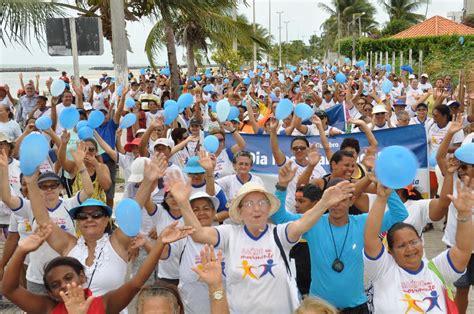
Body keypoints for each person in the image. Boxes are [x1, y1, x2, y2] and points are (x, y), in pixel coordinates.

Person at [167, 165, 357, 313]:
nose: (256, 208)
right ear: (240, 211)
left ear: (269, 209)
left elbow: (303, 224)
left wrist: (324, 203)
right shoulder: (229, 234)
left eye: (261, 202)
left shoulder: (279, 234)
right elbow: (199, 234)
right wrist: (183, 203)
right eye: (249, 203)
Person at [272, 163, 408, 311]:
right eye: (333, 200)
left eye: (342, 200)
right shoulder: (312, 222)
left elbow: (400, 214)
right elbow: (279, 218)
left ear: (351, 200)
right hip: (319, 308)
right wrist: (282, 187)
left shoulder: (364, 223)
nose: (336, 205)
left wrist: (386, 188)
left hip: (355, 307)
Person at [2, 221, 193, 314]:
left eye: (69, 278)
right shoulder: (47, 307)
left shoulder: (103, 304)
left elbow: (136, 283)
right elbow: (8, 289)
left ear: (82, 277)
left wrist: (160, 243)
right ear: (51, 293)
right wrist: (21, 251)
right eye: (55, 284)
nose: (64, 286)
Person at [363, 178, 473, 313]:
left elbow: (463, 249)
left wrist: (465, 214)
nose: (410, 248)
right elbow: (370, 238)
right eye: (401, 245)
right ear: (390, 251)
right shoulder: (382, 270)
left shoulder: (436, 270)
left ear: (421, 242)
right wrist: (381, 199)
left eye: (414, 242)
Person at [0, 144, 93, 294]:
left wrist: (80, 164)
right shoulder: (31, 207)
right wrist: (3, 170)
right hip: (37, 277)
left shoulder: (70, 204)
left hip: (65, 277)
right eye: (43, 186)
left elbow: (89, 191)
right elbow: (7, 198)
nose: (49, 189)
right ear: (37, 189)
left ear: (61, 188)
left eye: (53, 185)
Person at [269, 119, 326, 212]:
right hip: (290, 211)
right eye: (295, 148)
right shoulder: (288, 164)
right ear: (291, 150)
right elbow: (275, 150)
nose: (299, 150)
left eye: (302, 148)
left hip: (311, 213)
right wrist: (273, 131)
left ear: (308, 149)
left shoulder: (318, 168)